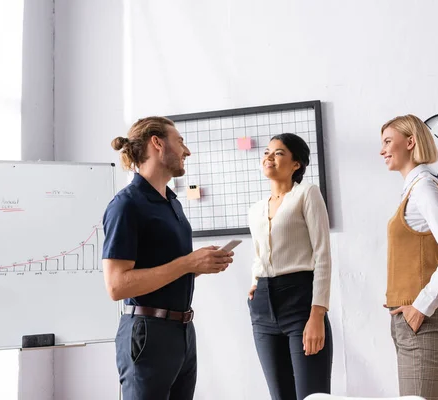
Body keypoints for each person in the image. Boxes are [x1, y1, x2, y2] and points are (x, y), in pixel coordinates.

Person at [101, 116, 234, 400]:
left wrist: (200, 264)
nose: (187, 151)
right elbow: (116, 286)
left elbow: (165, 268)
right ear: (157, 143)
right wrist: (187, 263)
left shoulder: (171, 202)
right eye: (180, 142)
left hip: (183, 332)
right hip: (147, 334)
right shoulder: (126, 205)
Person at [380, 114, 438, 400]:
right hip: (413, 322)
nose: (382, 150)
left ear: (410, 142)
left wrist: (420, 306)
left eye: (387, 141)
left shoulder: (425, 189)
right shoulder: (413, 190)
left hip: (423, 322)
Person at [247, 133, 333, 400]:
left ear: (297, 164)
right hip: (263, 306)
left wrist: (317, 314)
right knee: (279, 396)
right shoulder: (256, 209)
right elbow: (259, 255)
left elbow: (322, 255)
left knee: (312, 396)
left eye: (279, 152)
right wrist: (254, 283)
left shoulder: (307, 194)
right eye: (266, 152)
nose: (269, 157)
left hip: (301, 303)